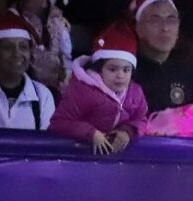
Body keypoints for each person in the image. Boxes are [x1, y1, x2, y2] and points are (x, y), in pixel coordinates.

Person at [49, 21, 148, 154]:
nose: (120, 75)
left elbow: (141, 119)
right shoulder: (83, 90)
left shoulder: (135, 93)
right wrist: (91, 133)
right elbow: (59, 122)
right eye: (112, 69)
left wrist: (128, 131)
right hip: (79, 158)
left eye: (126, 70)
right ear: (99, 69)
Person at [131, 0, 193, 113]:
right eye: (155, 20)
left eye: (171, 20)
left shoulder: (189, 71)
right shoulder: (125, 71)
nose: (165, 28)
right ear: (138, 27)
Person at [11, 0, 73, 93]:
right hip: (26, 87)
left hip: (55, 87)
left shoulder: (58, 25)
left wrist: (67, 76)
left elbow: (66, 55)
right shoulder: (16, 21)